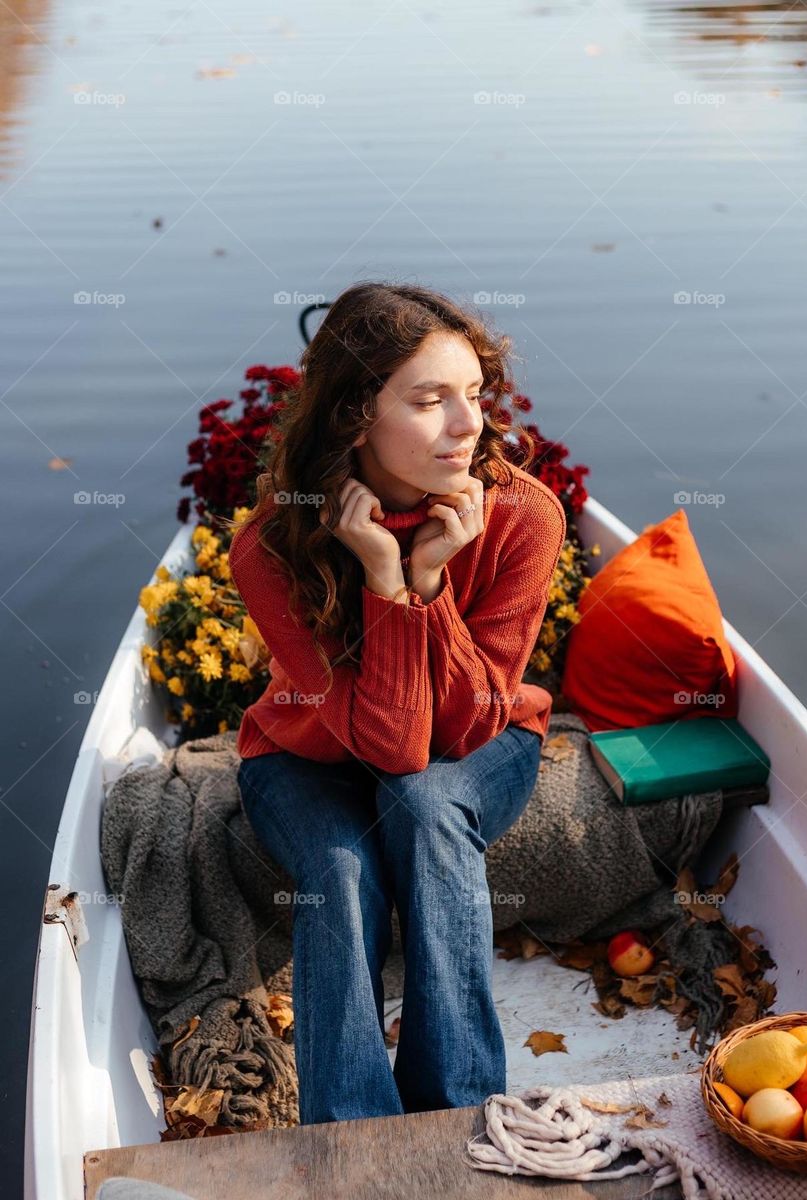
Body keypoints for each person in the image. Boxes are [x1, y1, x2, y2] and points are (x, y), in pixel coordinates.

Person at [228, 281, 566, 1124]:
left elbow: (450, 735)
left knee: (424, 802)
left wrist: (424, 586)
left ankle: (458, 1116)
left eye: (474, 396)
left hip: (484, 742)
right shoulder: (271, 547)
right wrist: (386, 577)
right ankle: (352, 1138)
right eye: (430, 401)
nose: (469, 424)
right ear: (354, 416)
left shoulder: (524, 517)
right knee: (341, 865)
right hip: (306, 760)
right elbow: (385, 743)